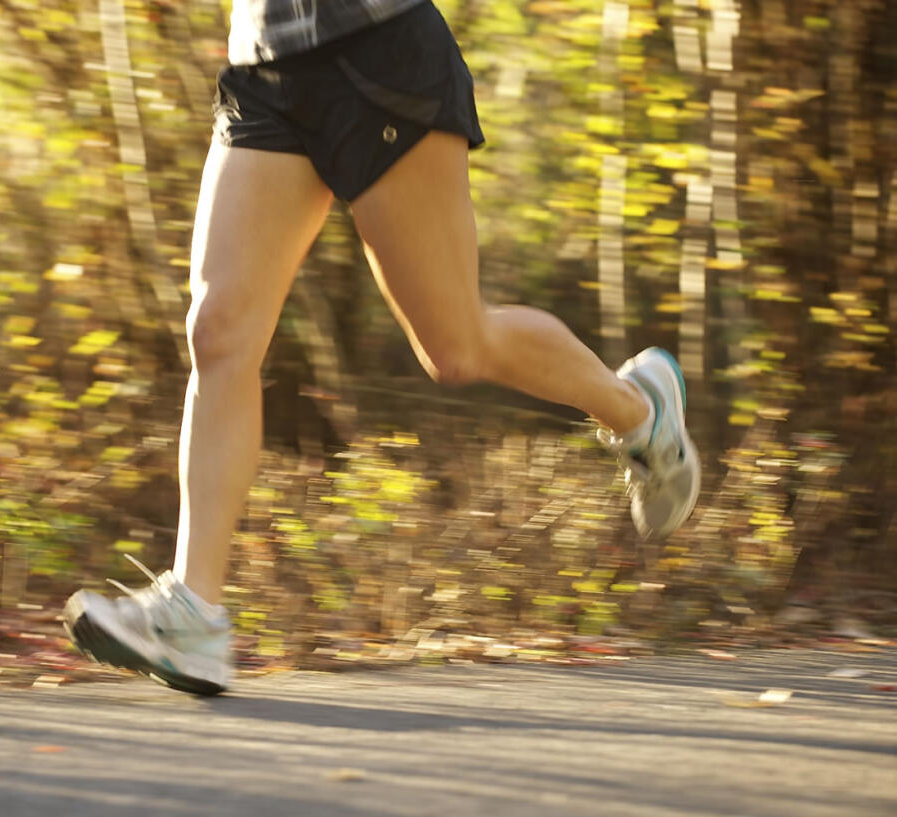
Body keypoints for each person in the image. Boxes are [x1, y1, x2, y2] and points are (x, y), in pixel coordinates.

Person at [63, 0, 700, 696]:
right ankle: (194, 612)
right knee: (218, 330)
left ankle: (639, 411)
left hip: (380, 52)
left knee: (455, 346)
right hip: (266, 66)